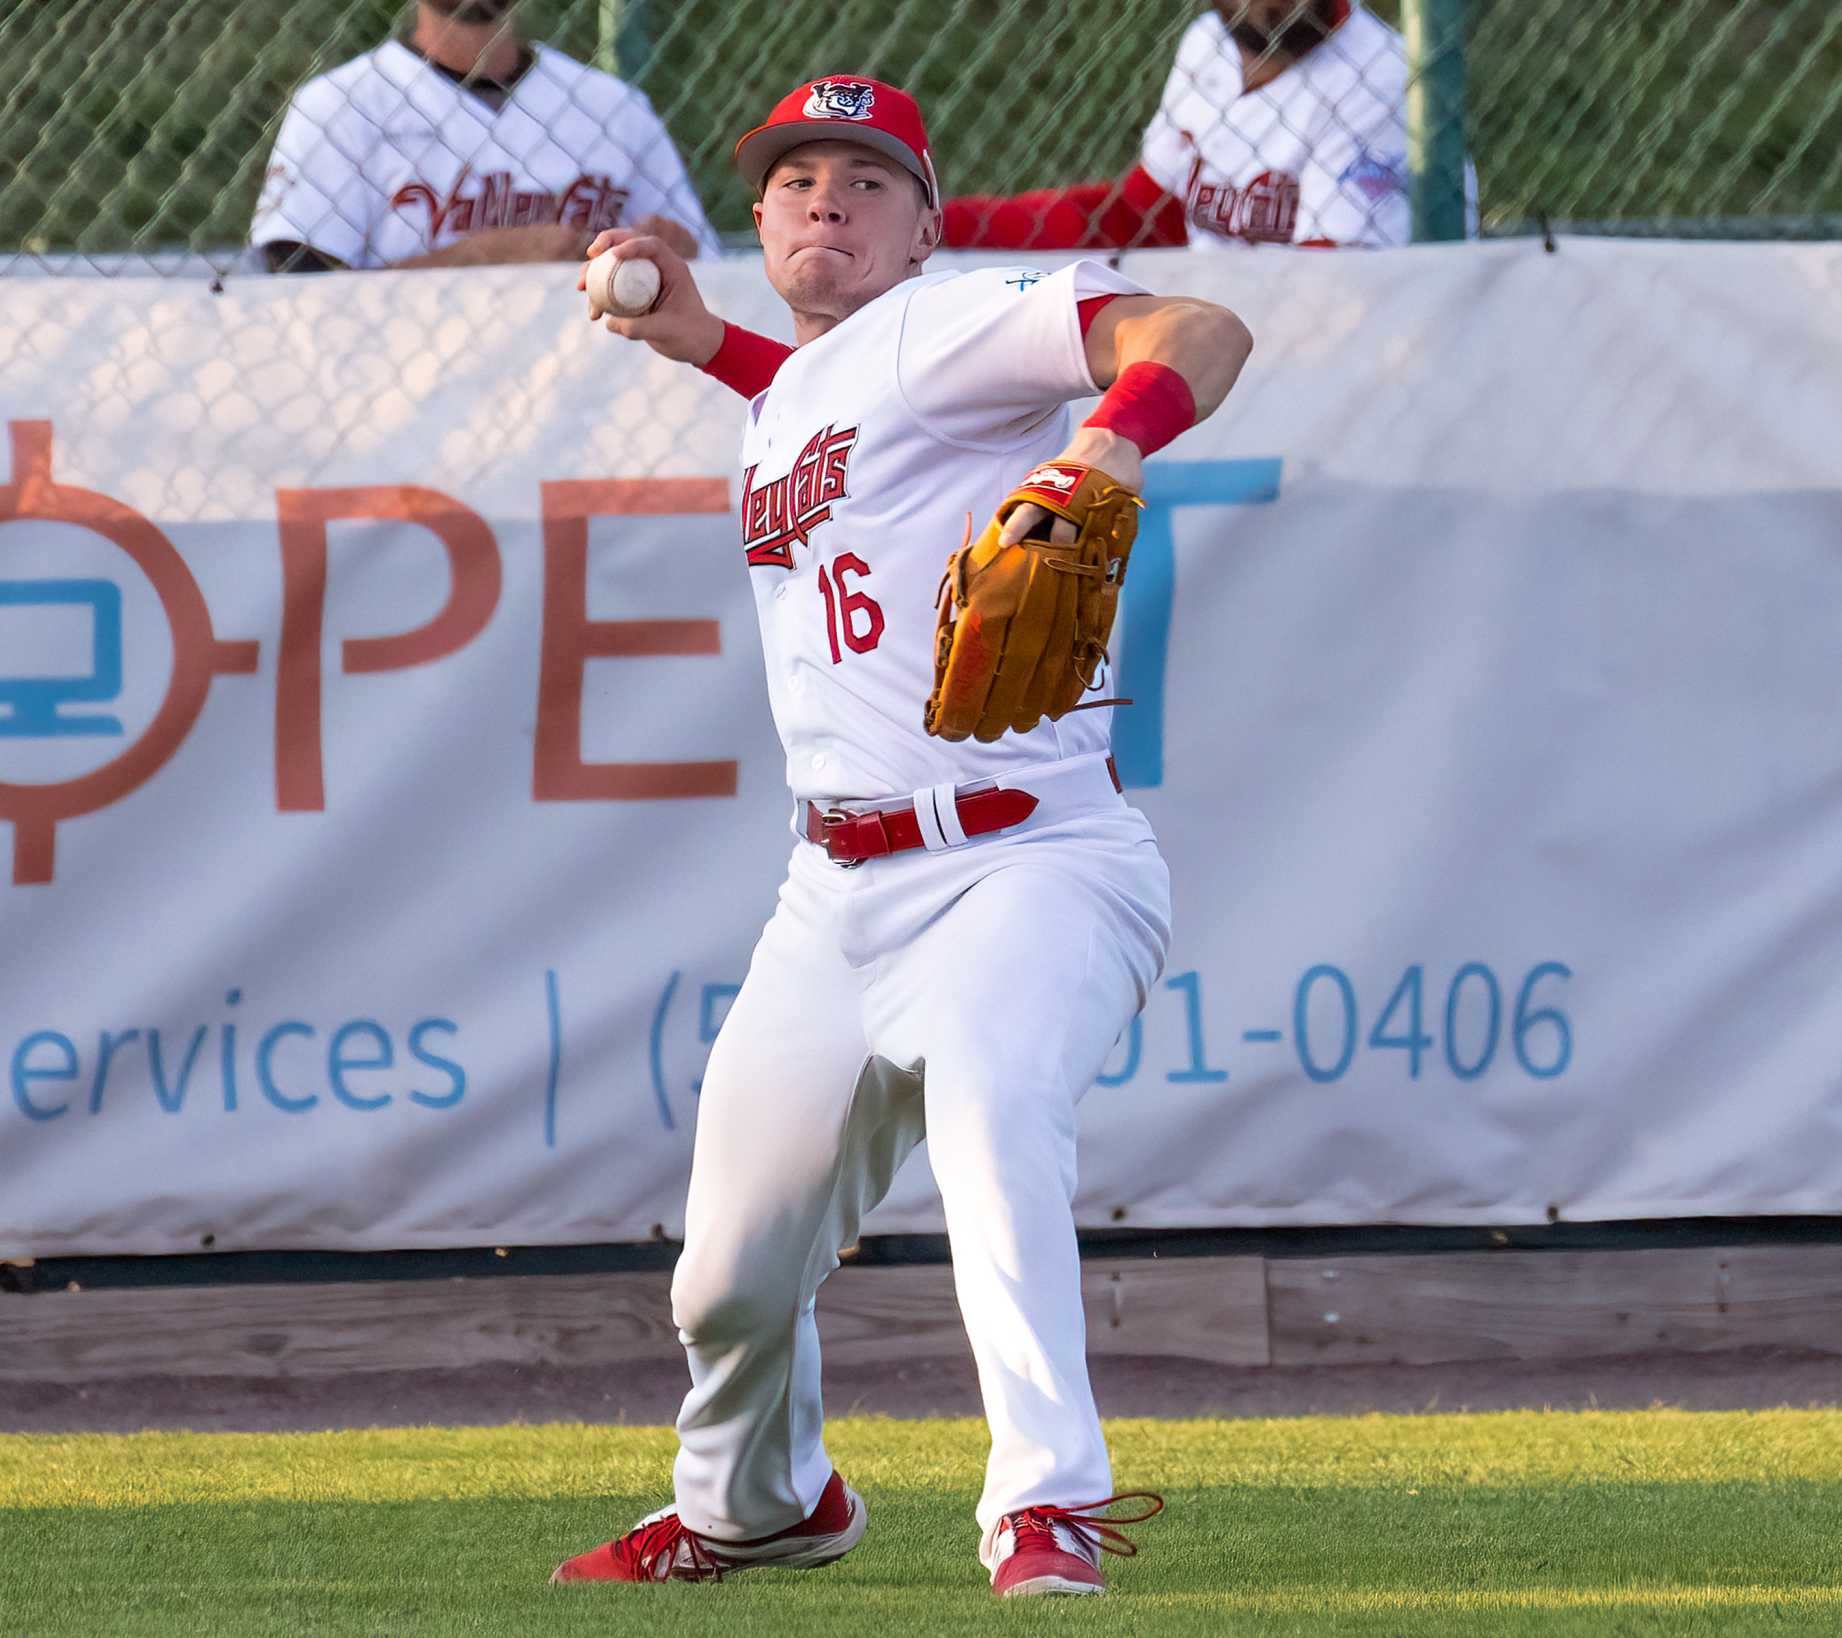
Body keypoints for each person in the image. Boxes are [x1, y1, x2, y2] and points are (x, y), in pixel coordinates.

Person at [549, 75, 1251, 1597]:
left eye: (867, 181)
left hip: (1029, 857)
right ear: (756, 218)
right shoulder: (800, 390)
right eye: (795, 177)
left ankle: (1045, 1505)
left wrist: (1109, 448)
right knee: (728, 1276)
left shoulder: (950, 321)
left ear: (925, 223)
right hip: (836, 888)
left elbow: (1199, 330)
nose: (825, 200)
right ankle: (764, 1502)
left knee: (995, 1114)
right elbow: (810, 400)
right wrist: (694, 335)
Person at [944, 0, 1475, 250]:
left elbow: (1336, 293)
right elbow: (1137, 216)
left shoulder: (1380, 79)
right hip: (1216, 334)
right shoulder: (1209, 45)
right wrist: (945, 227)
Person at [250, 0, 718, 272]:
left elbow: (708, 262)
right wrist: (489, 256)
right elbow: (299, 292)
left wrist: (676, 254)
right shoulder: (341, 104)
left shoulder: (611, 105)